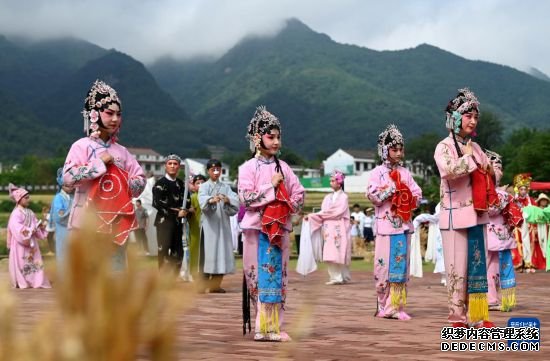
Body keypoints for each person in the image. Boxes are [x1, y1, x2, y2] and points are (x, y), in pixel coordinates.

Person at [62, 80, 146, 270]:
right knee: (87, 277)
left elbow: (140, 180)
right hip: (86, 222)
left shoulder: (122, 151)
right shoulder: (80, 146)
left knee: (114, 278)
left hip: (115, 222)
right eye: (109, 113)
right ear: (93, 114)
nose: (115, 118)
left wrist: (122, 183)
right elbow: (67, 177)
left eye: (118, 114)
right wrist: (99, 164)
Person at [239, 106, 305, 342]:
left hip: (280, 229)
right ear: (258, 139)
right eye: (271, 137)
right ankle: (262, 326)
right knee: (257, 277)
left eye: (278, 137)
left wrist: (289, 201)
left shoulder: (284, 167)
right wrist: (272, 188)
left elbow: (299, 193)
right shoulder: (247, 168)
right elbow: (245, 198)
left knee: (279, 277)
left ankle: (275, 326)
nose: (276, 142)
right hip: (256, 230)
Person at [433, 88, 495, 328]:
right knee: (457, 268)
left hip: (477, 215)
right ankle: (457, 318)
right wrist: (470, 159)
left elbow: (491, 173)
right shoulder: (443, 146)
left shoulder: (476, 147)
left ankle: (478, 316)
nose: (473, 120)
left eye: (475, 116)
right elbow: (449, 171)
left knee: (476, 267)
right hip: (455, 216)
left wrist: (490, 170)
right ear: (455, 118)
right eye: (468, 115)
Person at [367, 124, 421, 320]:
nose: (398, 153)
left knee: (400, 266)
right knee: (382, 267)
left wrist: (405, 192)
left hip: (402, 226)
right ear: (384, 150)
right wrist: (392, 189)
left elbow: (417, 193)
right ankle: (382, 304)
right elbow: (373, 196)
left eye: (400, 149)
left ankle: (396, 306)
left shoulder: (406, 173)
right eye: (394, 149)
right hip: (385, 226)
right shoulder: (376, 173)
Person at [485, 150, 522, 312]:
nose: (497, 171)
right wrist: (505, 197)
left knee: (505, 266)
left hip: (503, 235)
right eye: (494, 167)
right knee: (490, 267)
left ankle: (505, 298)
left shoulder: (501, 192)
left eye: (500, 167)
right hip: (488, 235)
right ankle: (490, 299)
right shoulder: (486, 191)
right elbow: (490, 209)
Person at [198, 159, 239, 293]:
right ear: (208, 171)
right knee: (207, 254)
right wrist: (210, 200)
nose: (216, 172)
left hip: (223, 226)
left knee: (221, 252)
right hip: (209, 227)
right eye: (213, 170)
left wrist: (228, 200)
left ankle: (215, 285)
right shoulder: (204, 186)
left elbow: (235, 200)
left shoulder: (226, 187)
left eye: (218, 169)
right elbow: (202, 201)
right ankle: (202, 284)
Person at [307, 170, 352, 285]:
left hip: (339, 227)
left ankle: (343, 276)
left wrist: (318, 215)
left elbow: (337, 212)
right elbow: (324, 211)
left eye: (333, 181)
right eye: (330, 181)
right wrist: (313, 216)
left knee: (341, 250)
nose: (331, 183)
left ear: (339, 182)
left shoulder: (344, 197)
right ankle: (335, 277)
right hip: (328, 227)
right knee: (330, 252)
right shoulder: (327, 197)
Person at [6, 184, 51, 288]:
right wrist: (32, 229)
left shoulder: (30, 212)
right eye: (26, 198)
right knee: (22, 262)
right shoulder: (15, 214)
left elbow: (35, 225)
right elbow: (18, 229)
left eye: (28, 197)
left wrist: (41, 225)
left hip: (31, 242)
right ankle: (23, 282)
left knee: (34, 261)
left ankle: (37, 281)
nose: (28, 200)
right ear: (19, 199)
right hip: (20, 243)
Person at [153, 154, 188, 273]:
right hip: (164, 223)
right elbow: (157, 203)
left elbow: (186, 201)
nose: (172, 166)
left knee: (178, 251)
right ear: (165, 166)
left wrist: (185, 210)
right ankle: (163, 278)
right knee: (163, 250)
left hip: (178, 223)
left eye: (175, 164)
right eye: (170, 163)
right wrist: (175, 213)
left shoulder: (182, 184)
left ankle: (173, 278)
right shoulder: (160, 183)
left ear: (179, 167)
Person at [51, 168, 75, 267]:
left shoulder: (74, 197)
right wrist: (74, 211)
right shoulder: (58, 198)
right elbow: (59, 216)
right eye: (67, 185)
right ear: (62, 185)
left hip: (74, 232)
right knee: (64, 255)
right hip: (63, 231)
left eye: (72, 185)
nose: (71, 188)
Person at [188, 174, 206, 281]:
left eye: (202, 182)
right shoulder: (193, 197)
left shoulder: (209, 197)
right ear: (194, 186)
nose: (200, 185)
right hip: (195, 227)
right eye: (197, 183)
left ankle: (204, 273)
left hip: (207, 228)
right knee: (194, 249)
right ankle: (193, 272)